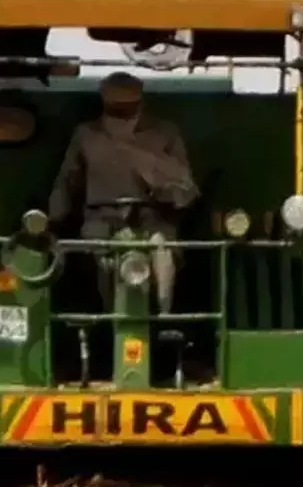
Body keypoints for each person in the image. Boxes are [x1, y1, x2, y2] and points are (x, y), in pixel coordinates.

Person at [46, 72, 200, 309]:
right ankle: (107, 317)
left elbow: (184, 185)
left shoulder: (165, 133)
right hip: (101, 220)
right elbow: (68, 180)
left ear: (140, 103)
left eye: (127, 108)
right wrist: (52, 219)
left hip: (152, 220)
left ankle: (163, 317)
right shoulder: (87, 135)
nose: (121, 116)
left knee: (163, 253)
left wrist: (165, 191)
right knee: (102, 262)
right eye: (115, 108)